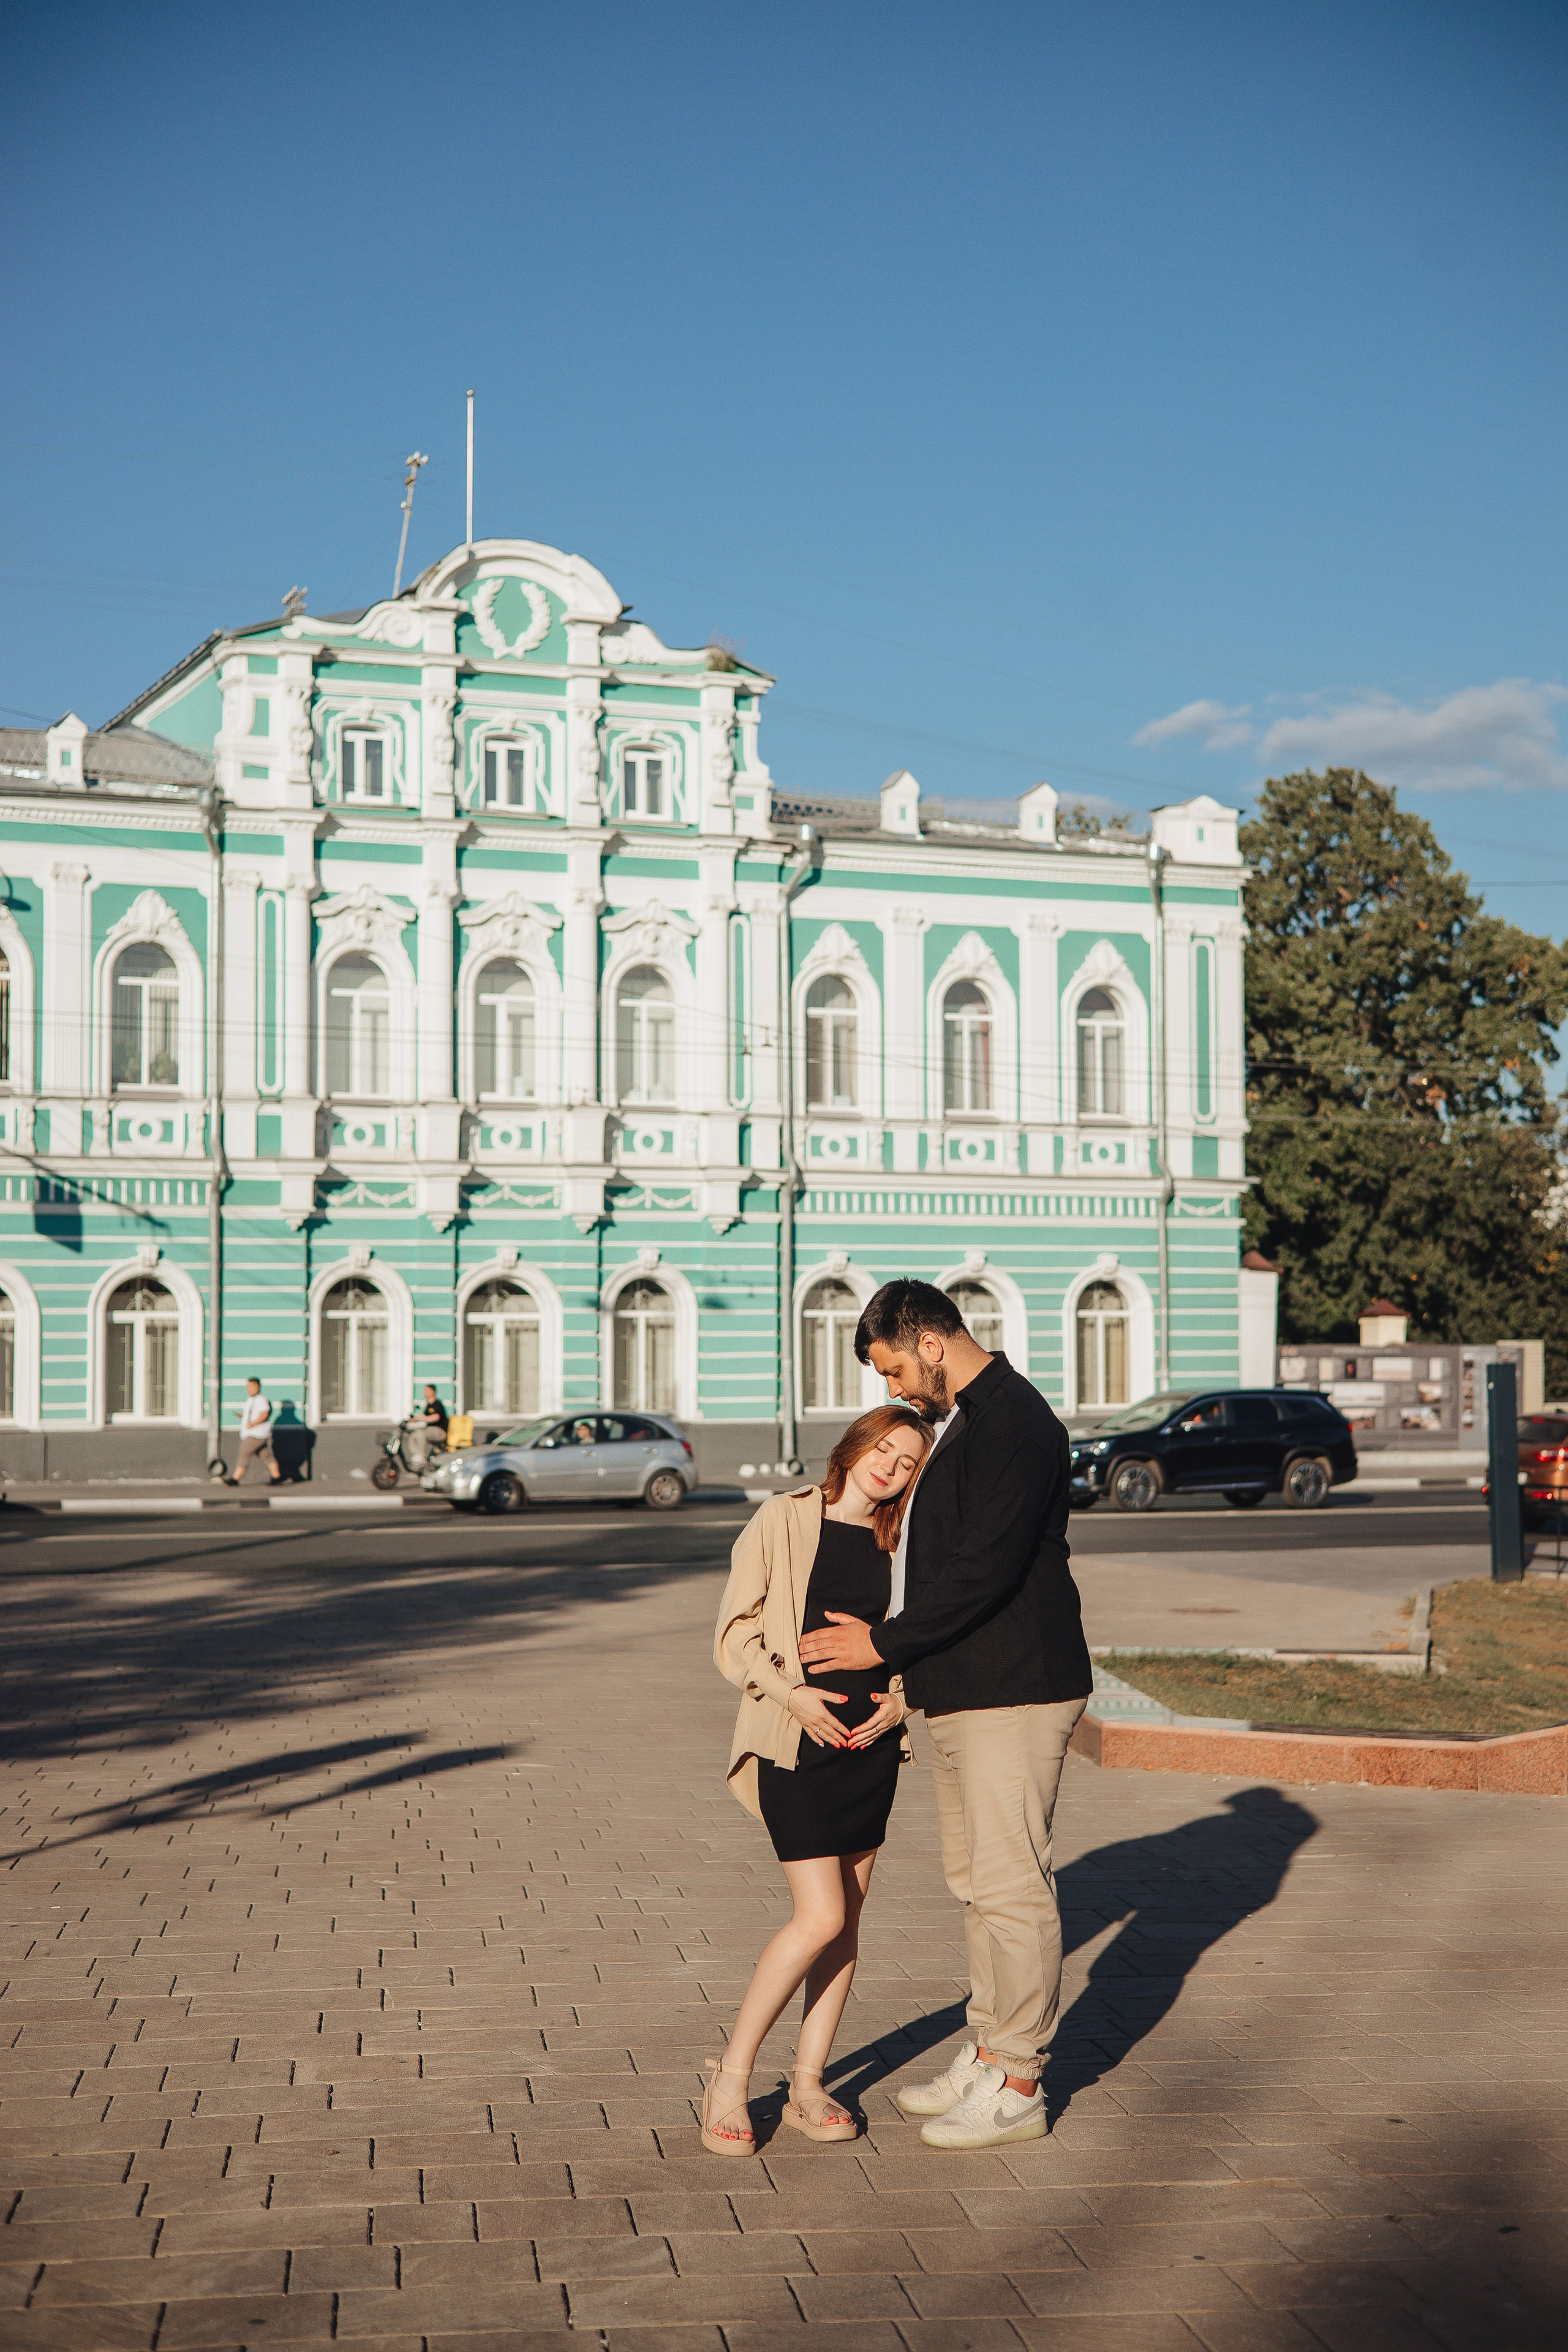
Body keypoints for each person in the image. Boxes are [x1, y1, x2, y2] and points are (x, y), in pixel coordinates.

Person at [798, 1279, 1093, 2151]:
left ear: (930, 1342)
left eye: (893, 1368)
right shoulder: (969, 1419)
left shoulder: (1016, 1422)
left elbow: (984, 1570)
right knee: (976, 1885)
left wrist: (880, 1646)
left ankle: (1021, 2082)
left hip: (1015, 1684)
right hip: (965, 1686)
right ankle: (989, 2050)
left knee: (1012, 1887)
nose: (893, 1388)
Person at [703, 1405, 933, 2158]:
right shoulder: (783, 1518)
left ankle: (808, 2085)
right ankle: (730, 2081)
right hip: (795, 1745)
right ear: (854, 1445)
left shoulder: (903, 1544)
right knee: (820, 1916)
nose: (890, 1466)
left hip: (870, 1750)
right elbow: (734, 1632)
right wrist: (791, 1694)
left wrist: (901, 1701)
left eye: (907, 1461)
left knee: (846, 1922)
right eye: (883, 1448)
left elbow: (922, 1640)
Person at [227, 1378, 281, 1486]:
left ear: (257, 1387)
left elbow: (265, 1414)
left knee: (244, 1453)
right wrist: (243, 1416)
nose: (248, 1389)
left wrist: (252, 1424)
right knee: (265, 1455)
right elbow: (254, 1414)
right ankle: (277, 1477)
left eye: (250, 1386)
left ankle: (235, 1479)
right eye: (247, 1387)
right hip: (256, 1433)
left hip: (256, 1434)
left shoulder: (261, 1399)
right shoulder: (252, 1399)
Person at [404, 1385, 449, 1473]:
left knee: (421, 1433)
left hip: (440, 1432)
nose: (425, 1392)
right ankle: (416, 1455)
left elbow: (436, 1417)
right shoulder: (429, 1405)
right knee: (412, 1435)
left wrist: (422, 1419)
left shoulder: (437, 1404)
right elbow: (424, 1416)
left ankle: (422, 1457)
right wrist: (414, 1419)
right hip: (431, 1430)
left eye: (427, 1390)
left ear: (433, 1392)